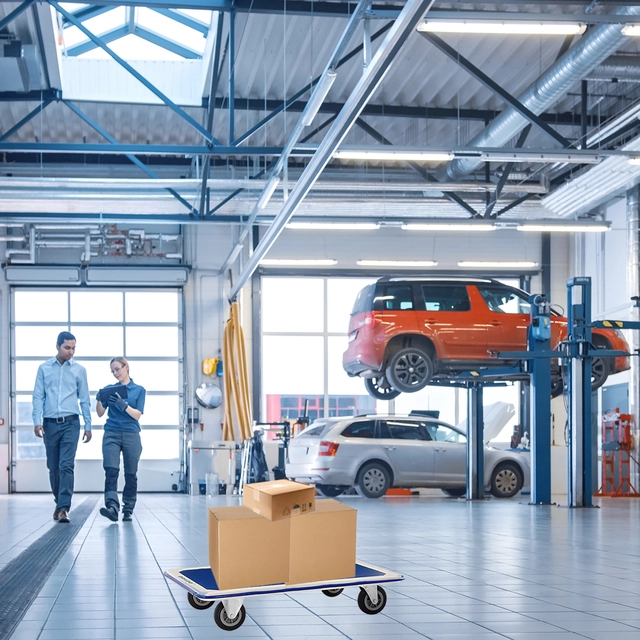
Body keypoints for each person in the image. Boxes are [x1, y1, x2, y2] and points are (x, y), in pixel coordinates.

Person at [32, 331, 92, 524]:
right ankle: (59, 503)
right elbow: (38, 396)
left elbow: (84, 400)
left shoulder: (79, 370)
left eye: (74, 348)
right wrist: (36, 421)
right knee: (53, 466)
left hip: (71, 423)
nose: (71, 352)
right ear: (57, 346)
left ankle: (64, 507)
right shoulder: (43, 369)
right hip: (50, 423)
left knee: (66, 465)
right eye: (67, 347)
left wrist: (88, 425)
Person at [97, 357, 145, 522]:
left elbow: (137, 415)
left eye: (117, 369)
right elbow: (100, 413)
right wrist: (99, 399)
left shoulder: (139, 390)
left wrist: (123, 405)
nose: (115, 373)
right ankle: (112, 507)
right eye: (113, 371)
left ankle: (128, 509)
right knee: (111, 471)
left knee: (131, 473)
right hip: (111, 433)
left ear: (126, 367)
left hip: (131, 434)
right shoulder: (109, 389)